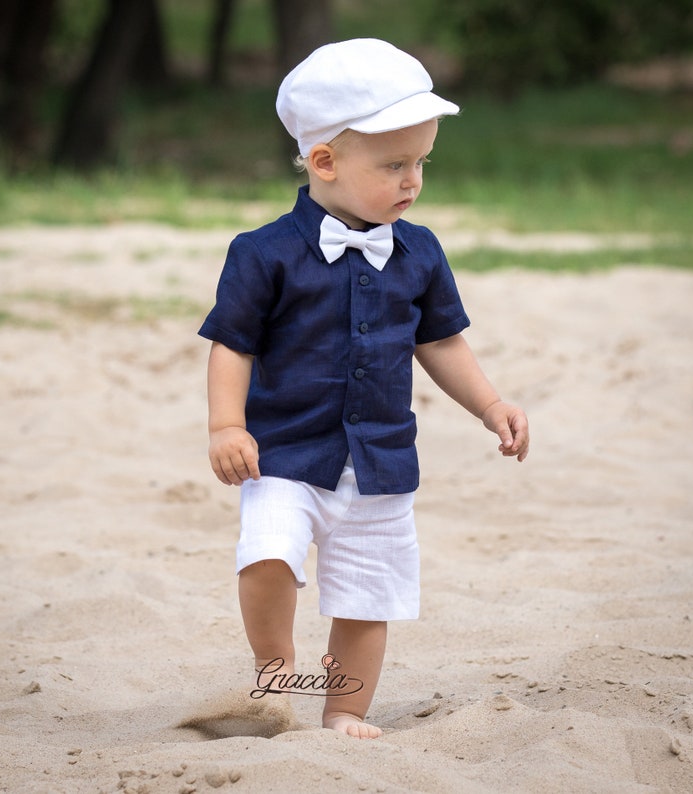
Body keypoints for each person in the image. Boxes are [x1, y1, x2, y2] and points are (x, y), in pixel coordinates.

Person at [198, 38, 529, 739]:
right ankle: (274, 674)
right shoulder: (261, 254)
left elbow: (439, 341)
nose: (413, 181)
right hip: (284, 454)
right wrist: (228, 426)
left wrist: (490, 404)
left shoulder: (420, 251)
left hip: (379, 462)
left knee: (366, 597)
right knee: (267, 556)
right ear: (325, 162)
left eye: (421, 164)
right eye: (394, 165)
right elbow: (234, 344)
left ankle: (345, 708)